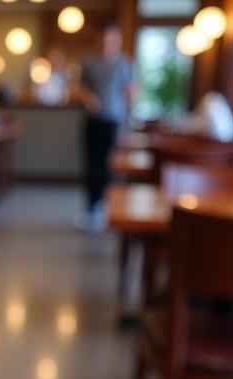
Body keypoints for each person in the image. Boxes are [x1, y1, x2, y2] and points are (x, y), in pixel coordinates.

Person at [73, 20, 134, 233]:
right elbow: (78, 88)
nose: (107, 44)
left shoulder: (125, 64)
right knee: (92, 165)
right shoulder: (88, 62)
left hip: (114, 122)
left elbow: (132, 91)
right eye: (104, 39)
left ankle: (106, 207)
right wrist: (86, 97)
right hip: (93, 121)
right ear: (98, 40)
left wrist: (131, 95)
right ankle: (92, 209)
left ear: (117, 41)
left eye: (112, 40)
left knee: (109, 166)